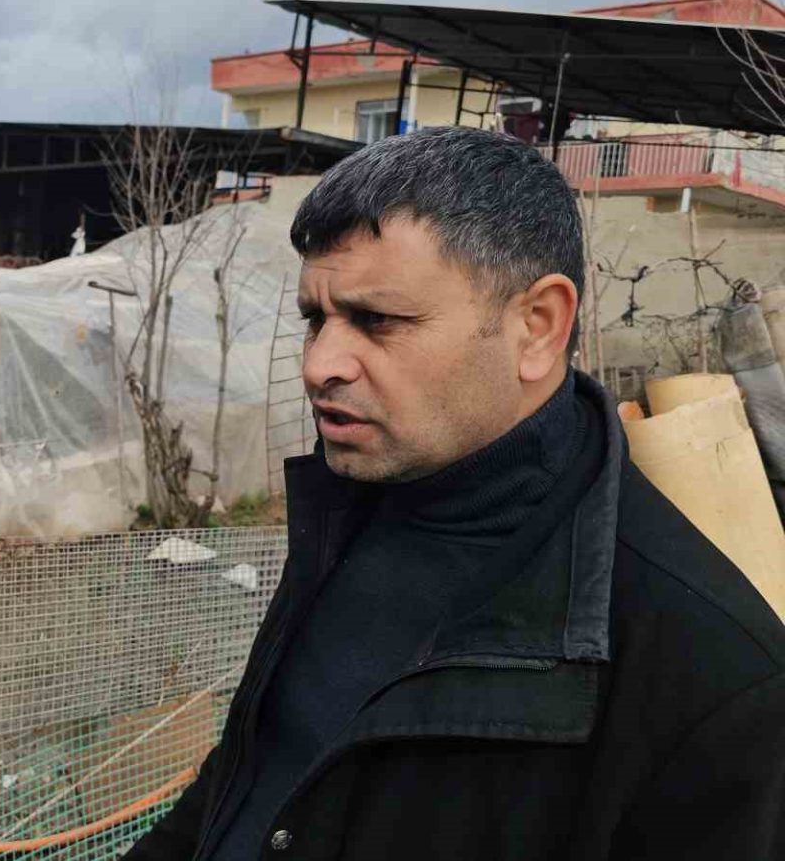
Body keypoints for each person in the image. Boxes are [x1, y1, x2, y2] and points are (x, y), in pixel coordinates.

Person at [123, 126, 785, 860]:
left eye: (378, 320)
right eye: (316, 318)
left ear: (537, 327)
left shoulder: (716, 682)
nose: (319, 364)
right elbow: (253, 772)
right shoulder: (354, 506)